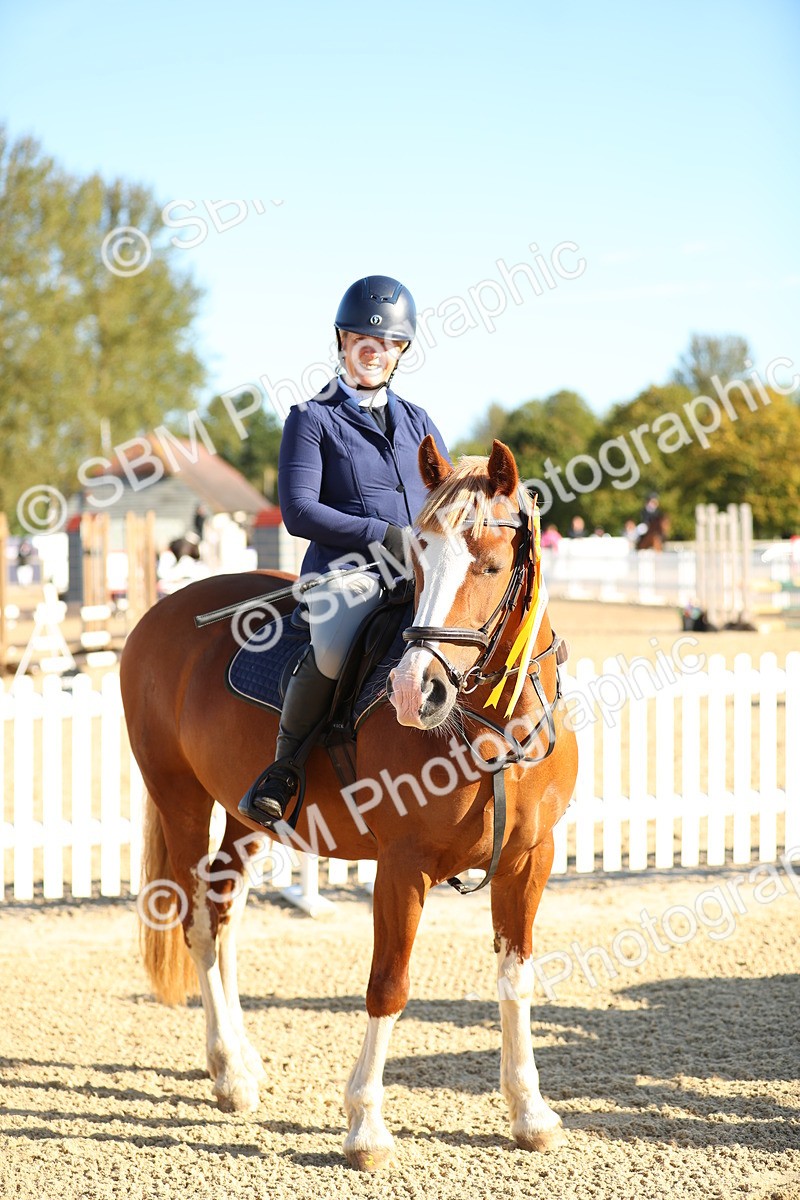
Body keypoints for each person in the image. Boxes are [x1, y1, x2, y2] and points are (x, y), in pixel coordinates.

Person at [239, 275, 449, 828]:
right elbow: (300, 511)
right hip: (344, 577)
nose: (374, 352)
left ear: (401, 350)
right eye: (362, 340)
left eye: (387, 343)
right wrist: (382, 533)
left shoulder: (420, 421)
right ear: (342, 340)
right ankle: (283, 770)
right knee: (334, 649)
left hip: (417, 572)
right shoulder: (312, 419)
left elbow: (445, 495)